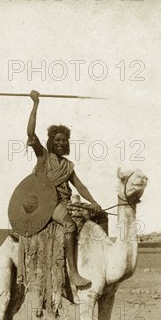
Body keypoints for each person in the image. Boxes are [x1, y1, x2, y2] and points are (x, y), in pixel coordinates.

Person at [26, 90, 102, 287]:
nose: (61, 143)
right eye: (57, 140)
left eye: (64, 140)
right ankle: (73, 273)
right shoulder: (43, 156)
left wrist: (93, 202)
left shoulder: (68, 165)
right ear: (51, 142)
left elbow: (80, 185)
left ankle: (98, 264)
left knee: (100, 215)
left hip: (65, 202)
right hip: (48, 203)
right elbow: (30, 134)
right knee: (70, 225)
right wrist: (35, 104)